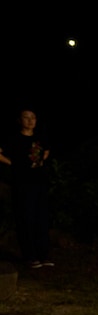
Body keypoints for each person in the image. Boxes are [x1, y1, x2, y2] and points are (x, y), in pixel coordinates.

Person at [0, 110, 53, 268]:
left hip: (40, 182)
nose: (30, 121)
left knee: (41, 218)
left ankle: (44, 255)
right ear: (19, 120)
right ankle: (29, 256)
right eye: (26, 117)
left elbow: (47, 149)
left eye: (33, 118)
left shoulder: (40, 137)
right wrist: (13, 164)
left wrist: (42, 159)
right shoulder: (14, 138)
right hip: (22, 183)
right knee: (25, 217)